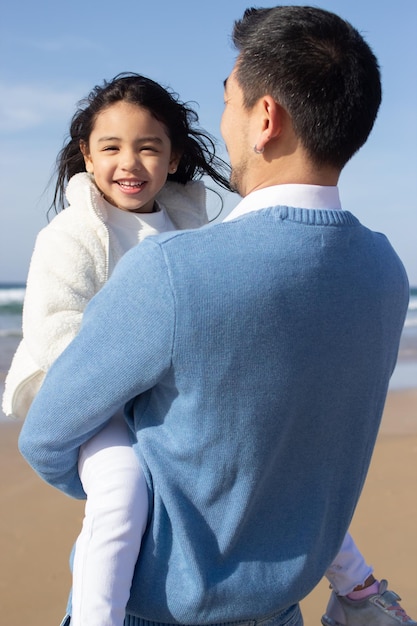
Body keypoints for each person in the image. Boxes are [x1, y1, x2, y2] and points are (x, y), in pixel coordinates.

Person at [17, 6, 413, 626]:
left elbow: (46, 435)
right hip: (284, 609)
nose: (221, 118)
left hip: (158, 611)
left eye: (228, 97)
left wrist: (150, 492)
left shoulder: (173, 269)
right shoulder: (386, 273)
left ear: (265, 117)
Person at [3, 72, 230, 626]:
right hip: (81, 394)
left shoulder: (187, 229)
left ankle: (355, 584)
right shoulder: (71, 234)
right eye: (110, 147)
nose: (128, 162)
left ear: (174, 158)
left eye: (148, 147)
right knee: (122, 490)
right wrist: (135, 383)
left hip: (164, 392)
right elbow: (52, 329)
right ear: (87, 154)